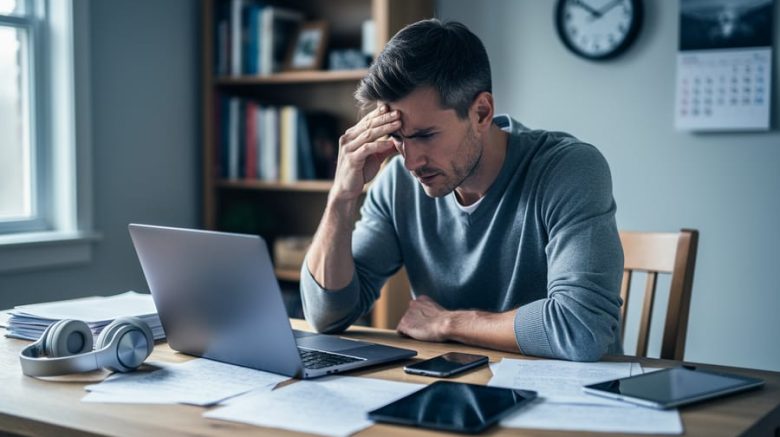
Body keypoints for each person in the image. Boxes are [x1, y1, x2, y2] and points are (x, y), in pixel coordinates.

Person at [299, 19, 624, 361]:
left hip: (567, 400)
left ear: (482, 112)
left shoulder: (568, 170)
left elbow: (581, 329)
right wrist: (342, 196)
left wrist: (448, 323)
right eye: (398, 137)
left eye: (425, 135)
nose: (410, 162)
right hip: (454, 389)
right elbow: (326, 316)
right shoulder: (398, 182)